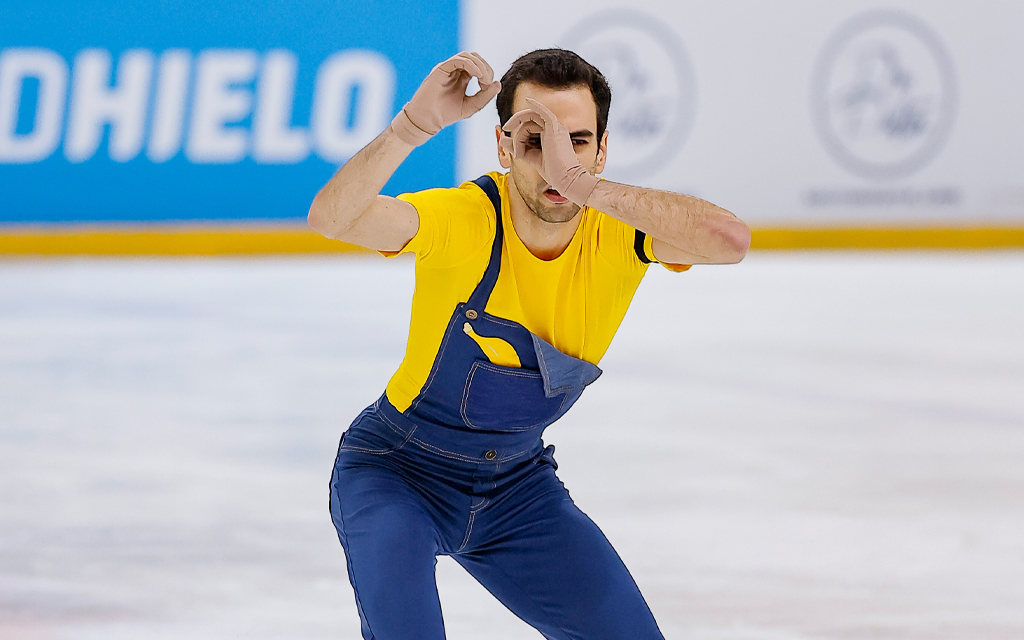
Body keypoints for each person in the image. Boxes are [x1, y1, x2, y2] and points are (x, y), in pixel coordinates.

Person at [308, 48, 749, 640]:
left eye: (577, 142)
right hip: (397, 474)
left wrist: (584, 187)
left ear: (601, 150)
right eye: (536, 142)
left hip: (517, 490)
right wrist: (411, 128)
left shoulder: (620, 232)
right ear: (504, 146)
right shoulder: (466, 218)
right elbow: (332, 219)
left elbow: (729, 240)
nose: (556, 164)